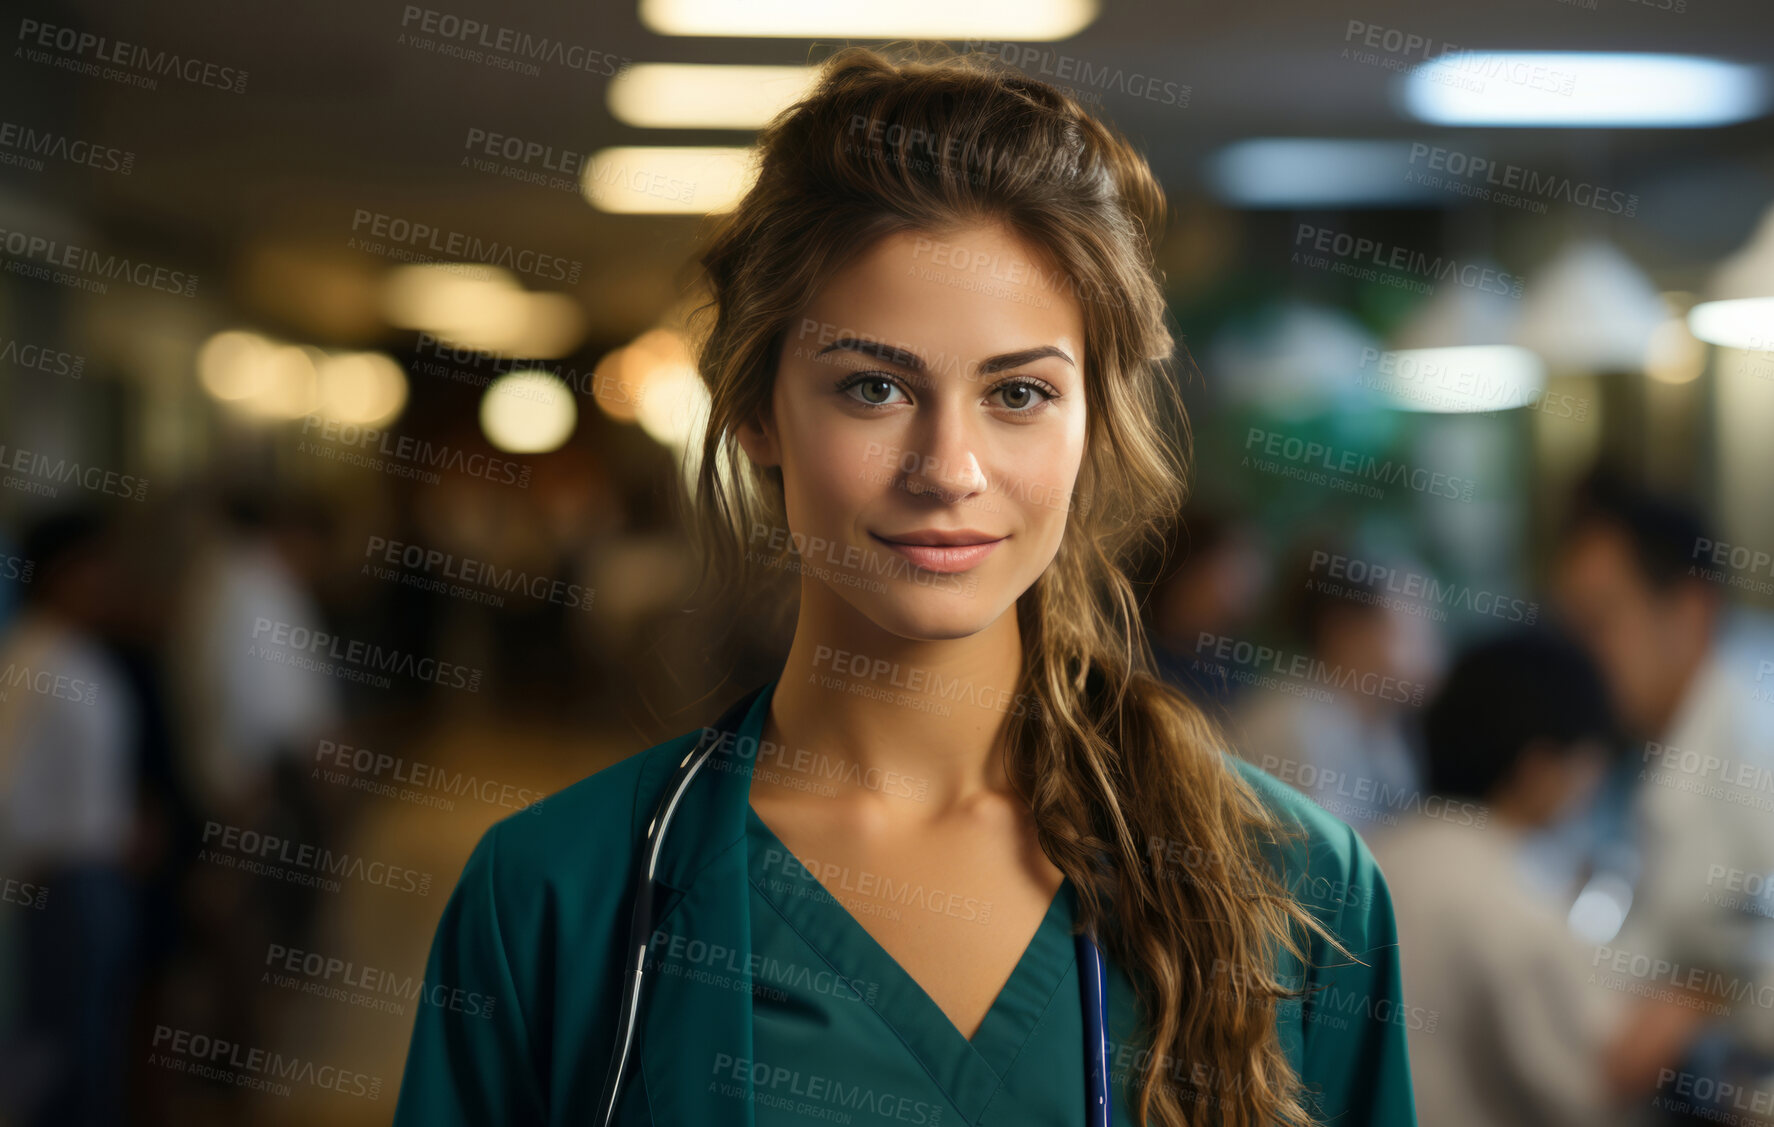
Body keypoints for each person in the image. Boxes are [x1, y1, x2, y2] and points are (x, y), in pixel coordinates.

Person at [392, 44, 1416, 1127]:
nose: (949, 469)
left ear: (1092, 424)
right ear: (753, 409)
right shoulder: (557, 901)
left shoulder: (1295, 892)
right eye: (873, 387)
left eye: (1017, 392)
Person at [1550, 470, 1774, 1100]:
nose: (1581, 656)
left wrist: (1703, 1000)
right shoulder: (1663, 740)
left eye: (1600, 623)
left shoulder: (1757, 743)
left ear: (1689, 611)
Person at [1369, 628, 1642, 1127]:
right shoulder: (1512, 900)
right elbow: (1591, 1093)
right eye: (1590, 763)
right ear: (1538, 770)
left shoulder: (1373, 855)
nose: (1594, 784)